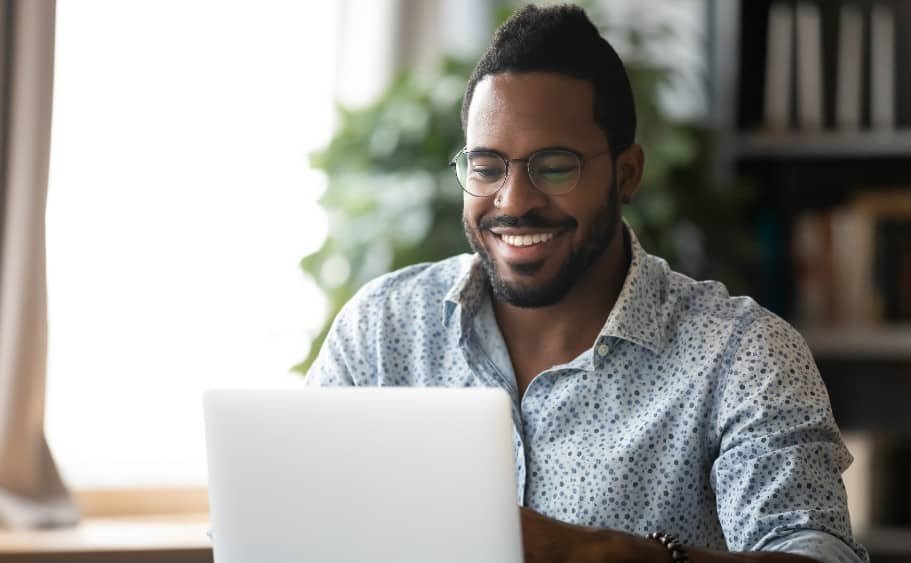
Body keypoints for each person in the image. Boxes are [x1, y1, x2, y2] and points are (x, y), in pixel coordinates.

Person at [306, 4, 868, 563]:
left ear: (626, 175)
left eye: (554, 167)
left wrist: (595, 553)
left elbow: (817, 555)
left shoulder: (740, 355)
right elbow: (299, 521)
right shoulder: (381, 330)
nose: (514, 201)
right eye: (486, 167)